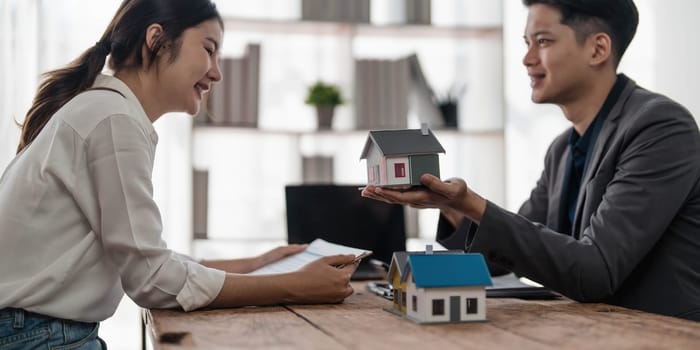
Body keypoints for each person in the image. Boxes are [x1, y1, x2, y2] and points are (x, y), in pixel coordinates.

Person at [0, 0, 357, 347]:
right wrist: (295, 285)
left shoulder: (104, 110)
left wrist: (258, 264)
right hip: (38, 336)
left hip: (33, 331)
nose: (217, 71)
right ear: (155, 40)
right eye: (209, 48)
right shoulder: (113, 119)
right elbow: (151, 278)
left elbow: (145, 260)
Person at [363, 0, 700, 321]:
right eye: (526, 42)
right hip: (590, 330)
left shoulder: (660, 127)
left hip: (660, 334)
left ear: (598, 49)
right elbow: (510, 255)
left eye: (543, 41)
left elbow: (596, 271)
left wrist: (472, 203)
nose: (526, 58)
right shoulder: (562, 149)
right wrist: (453, 207)